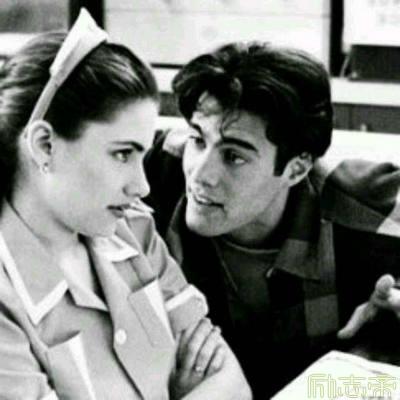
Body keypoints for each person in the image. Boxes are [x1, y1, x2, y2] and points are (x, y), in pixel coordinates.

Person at [0, 10, 251, 400]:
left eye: (142, 155)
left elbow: (232, 385)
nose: (142, 186)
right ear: (44, 145)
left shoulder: (134, 231)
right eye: (122, 154)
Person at [144, 41, 400, 398]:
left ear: (296, 169)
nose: (201, 174)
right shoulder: (147, 173)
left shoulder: (360, 205)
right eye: (198, 140)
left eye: (233, 157)